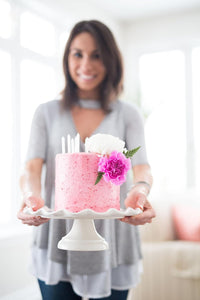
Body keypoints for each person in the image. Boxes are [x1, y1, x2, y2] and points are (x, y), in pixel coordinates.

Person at [17, 20, 155, 300]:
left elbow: (141, 166)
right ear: (67, 57)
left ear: (110, 60)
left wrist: (140, 192)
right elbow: (31, 168)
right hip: (57, 235)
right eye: (78, 54)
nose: (86, 65)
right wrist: (32, 197)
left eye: (97, 55)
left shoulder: (127, 114)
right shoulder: (46, 113)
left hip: (113, 237)